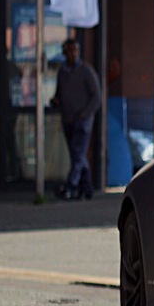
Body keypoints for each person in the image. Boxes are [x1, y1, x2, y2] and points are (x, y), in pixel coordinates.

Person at [49, 38, 102, 199]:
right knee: (76, 154)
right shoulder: (62, 73)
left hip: (82, 120)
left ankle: (70, 186)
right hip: (68, 119)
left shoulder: (86, 71)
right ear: (64, 52)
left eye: (75, 51)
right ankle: (86, 187)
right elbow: (59, 94)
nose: (72, 54)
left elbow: (97, 97)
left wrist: (85, 113)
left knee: (78, 152)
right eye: (69, 51)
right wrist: (56, 101)